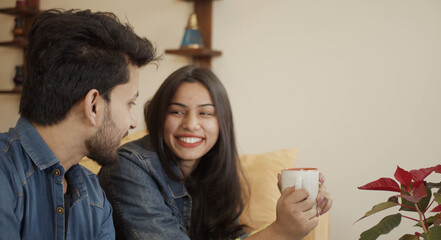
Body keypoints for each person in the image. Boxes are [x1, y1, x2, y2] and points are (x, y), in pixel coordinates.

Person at [98, 65, 332, 240]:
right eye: (177, 112)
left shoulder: (213, 170)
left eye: (206, 113)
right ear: (159, 117)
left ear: (222, 123)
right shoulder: (128, 167)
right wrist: (280, 232)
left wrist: (298, 209)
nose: (191, 124)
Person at [0, 9, 158, 240]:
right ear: (94, 105)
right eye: (129, 104)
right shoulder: (5, 174)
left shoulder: (93, 195)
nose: (133, 122)